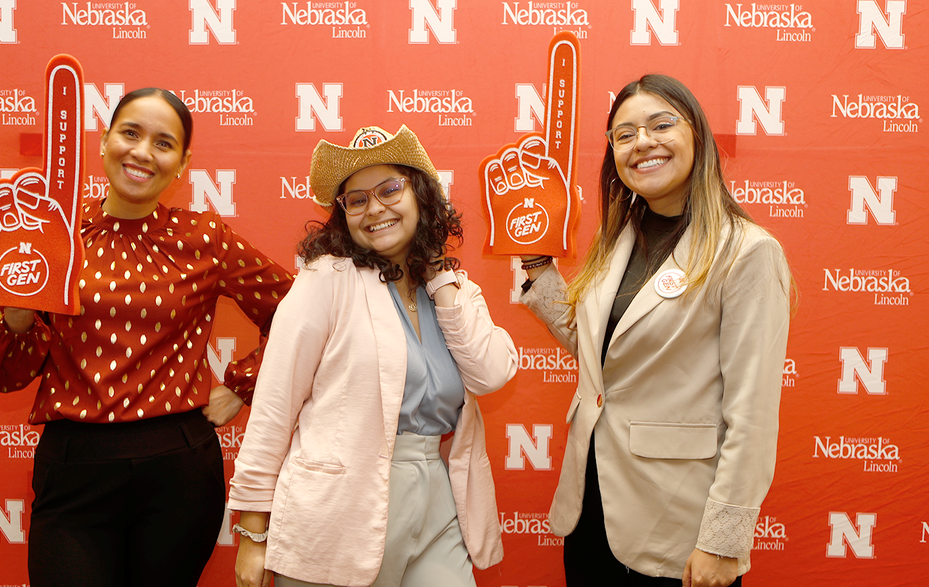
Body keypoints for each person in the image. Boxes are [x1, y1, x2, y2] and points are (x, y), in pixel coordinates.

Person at [0, 88, 293, 587]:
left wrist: (242, 384)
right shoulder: (53, 233)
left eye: (163, 143)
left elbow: (296, 311)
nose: (143, 152)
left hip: (179, 469)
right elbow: (7, 375)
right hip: (74, 466)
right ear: (103, 142)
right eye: (130, 133)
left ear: (183, 162)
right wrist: (17, 314)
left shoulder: (204, 238)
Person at [518, 74, 792, 587]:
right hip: (591, 508)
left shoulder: (747, 251)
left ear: (697, 136)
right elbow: (603, 353)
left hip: (676, 524)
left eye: (660, 124)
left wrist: (723, 541)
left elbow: (752, 414)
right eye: (623, 135)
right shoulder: (617, 239)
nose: (642, 142)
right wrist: (536, 264)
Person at [228, 125, 518, 587]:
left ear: (421, 194)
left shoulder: (453, 290)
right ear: (343, 215)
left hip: (436, 500)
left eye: (389, 189)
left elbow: (491, 374)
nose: (374, 208)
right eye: (356, 199)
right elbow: (273, 407)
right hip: (340, 504)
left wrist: (440, 279)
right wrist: (253, 532)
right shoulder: (326, 280)